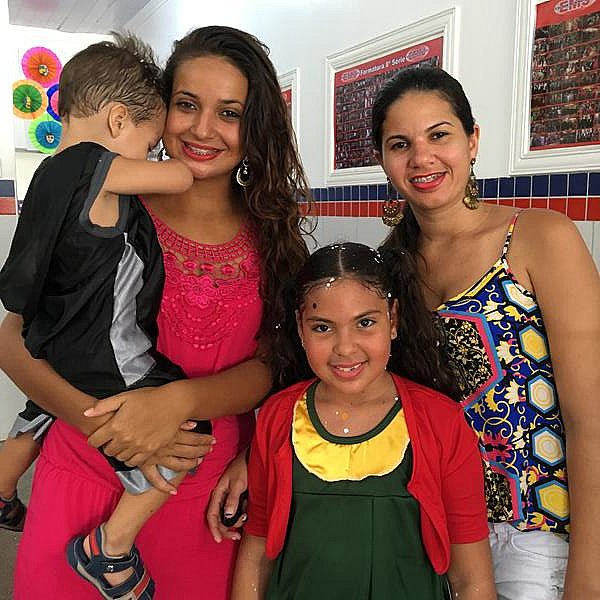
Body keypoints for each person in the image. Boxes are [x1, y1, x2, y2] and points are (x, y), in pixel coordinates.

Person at [0, 25, 310, 600]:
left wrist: (179, 402)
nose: (203, 129)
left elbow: (275, 366)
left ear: (256, 126)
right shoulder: (110, 203)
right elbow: (12, 339)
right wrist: (107, 426)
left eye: (230, 113)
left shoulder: (271, 233)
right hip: (88, 473)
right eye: (186, 104)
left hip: (208, 497)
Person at [373, 66, 600, 600]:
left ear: (472, 141)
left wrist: (588, 575)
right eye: (400, 144)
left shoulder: (539, 237)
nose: (422, 158)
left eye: (439, 135)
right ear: (383, 160)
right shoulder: (387, 268)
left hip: (535, 539)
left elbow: (590, 418)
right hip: (429, 531)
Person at [0, 32, 210, 599]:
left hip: (55, 340)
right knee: (191, 434)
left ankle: (3, 485)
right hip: (107, 349)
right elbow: (182, 178)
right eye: (150, 142)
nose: (152, 155)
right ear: (118, 121)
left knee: (43, 406)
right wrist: (173, 161)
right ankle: (110, 546)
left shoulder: (47, 175)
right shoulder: (94, 164)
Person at [232, 242, 497, 600]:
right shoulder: (278, 417)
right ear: (300, 327)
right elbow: (255, 558)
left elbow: (471, 579)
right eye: (322, 327)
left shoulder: (441, 421)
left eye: (365, 323)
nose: (345, 348)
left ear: (393, 320)